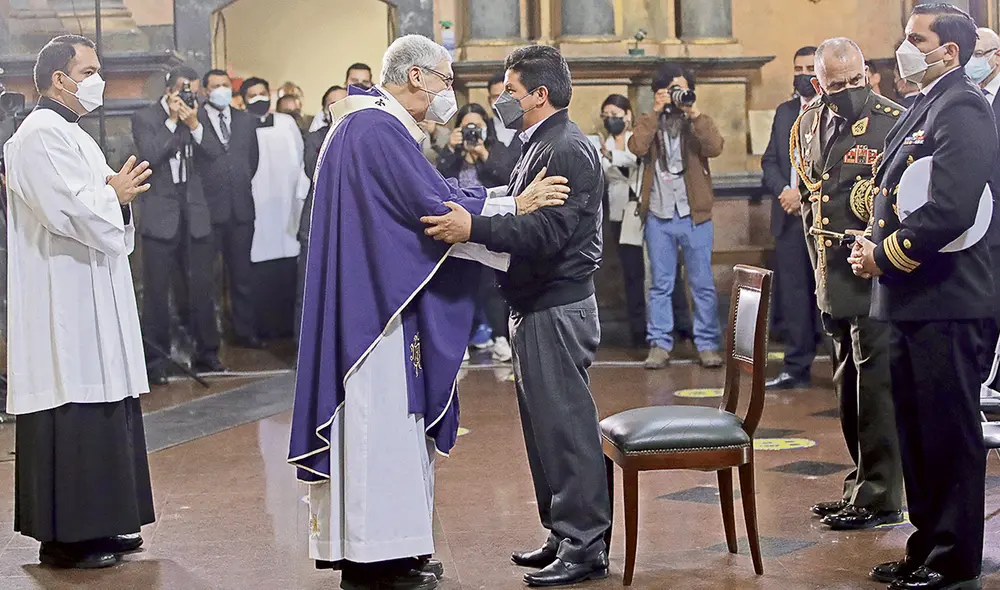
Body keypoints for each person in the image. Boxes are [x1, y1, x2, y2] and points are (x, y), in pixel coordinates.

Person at [288, 35, 569, 590]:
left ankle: (399, 552)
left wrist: (499, 202)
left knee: (395, 429)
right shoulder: (374, 128)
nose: (449, 92)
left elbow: (431, 195)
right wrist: (515, 205)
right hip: (375, 317)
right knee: (379, 430)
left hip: (380, 300)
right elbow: (432, 209)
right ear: (416, 76)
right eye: (446, 79)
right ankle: (374, 564)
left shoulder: (369, 125)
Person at [423, 44, 611, 588]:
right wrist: (476, 208)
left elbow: (547, 234)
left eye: (510, 90)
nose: (501, 99)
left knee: (567, 429)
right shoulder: (540, 143)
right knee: (543, 430)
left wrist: (473, 228)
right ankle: (561, 532)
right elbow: (514, 201)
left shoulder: (566, 148)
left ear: (539, 95)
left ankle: (585, 545)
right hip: (534, 304)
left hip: (557, 304)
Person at [850, 5, 996, 588]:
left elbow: (953, 207)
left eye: (916, 38)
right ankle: (927, 544)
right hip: (916, 297)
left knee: (947, 434)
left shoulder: (962, 106)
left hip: (950, 298)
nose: (904, 47)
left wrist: (885, 256)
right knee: (916, 430)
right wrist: (871, 242)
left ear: (949, 51)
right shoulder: (924, 102)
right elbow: (897, 194)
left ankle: (953, 560)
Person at [3, 34, 155, 569]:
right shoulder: (38, 135)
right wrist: (114, 196)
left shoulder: (74, 135)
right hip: (62, 296)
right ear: (59, 78)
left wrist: (116, 198)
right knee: (73, 400)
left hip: (91, 288)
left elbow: (99, 207)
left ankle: (104, 523)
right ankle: (67, 539)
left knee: (104, 399)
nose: (98, 80)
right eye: (88, 71)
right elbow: (66, 212)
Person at [791, 38, 904, 531]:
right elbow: (812, 200)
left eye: (857, 80)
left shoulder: (894, 120)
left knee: (876, 388)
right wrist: (820, 273)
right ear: (820, 84)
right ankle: (859, 483)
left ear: (868, 74)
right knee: (847, 388)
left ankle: (881, 495)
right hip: (831, 276)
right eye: (838, 85)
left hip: (873, 276)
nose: (851, 90)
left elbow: (901, 203)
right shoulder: (808, 122)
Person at [132, 66, 226, 385]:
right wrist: (172, 121)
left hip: (194, 214)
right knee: (156, 293)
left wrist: (194, 124)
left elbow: (215, 155)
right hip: (160, 216)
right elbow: (150, 155)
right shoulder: (145, 117)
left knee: (202, 288)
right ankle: (156, 360)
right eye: (185, 91)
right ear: (169, 90)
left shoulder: (198, 116)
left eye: (194, 92)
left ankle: (207, 352)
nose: (189, 97)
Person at [629, 63, 725, 370]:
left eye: (682, 89)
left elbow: (715, 147)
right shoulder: (649, 120)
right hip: (659, 214)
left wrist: (694, 113)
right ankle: (659, 344)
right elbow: (636, 146)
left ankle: (707, 344)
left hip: (694, 215)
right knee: (660, 284)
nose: (677, 95)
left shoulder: (696, 121)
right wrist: (655, 112)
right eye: (671, 90)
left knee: (702, 284)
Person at [762, 46, 822, 389]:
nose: (803, 74)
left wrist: (805, 196)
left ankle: (843, 367)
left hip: (824, 218)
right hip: (788, 218)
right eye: (798, 68)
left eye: (810, 68)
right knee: (795, 295)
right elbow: (769, 161)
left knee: (828, 292)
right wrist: (785, 190)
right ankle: (796, 367)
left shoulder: (833, 111)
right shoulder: (785, 112)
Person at [437, 102, 515, 360]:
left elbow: (508, 179)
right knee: (458, 283)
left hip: (490, 224)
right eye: (466, 127)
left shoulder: (497, 149)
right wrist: (451, 150)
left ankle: (500, 337)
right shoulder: (452, 153)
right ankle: (460, 341)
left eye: (477, 127)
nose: (472, 132)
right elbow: (438, 181)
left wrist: (483, 154)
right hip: (456, 225)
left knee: (492, 284)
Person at [198, 70, 263, 348]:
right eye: (215, 86)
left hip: (241, 210)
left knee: (242, 276)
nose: (221, 90)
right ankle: (208, 338)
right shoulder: (194, 120)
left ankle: (244, 331)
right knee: (206, 279)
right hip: (207, 211)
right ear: (205, 91)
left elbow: (252, 160)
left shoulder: (245, 121)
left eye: (225, 85)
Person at [241, 76, 309, 339]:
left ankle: (287, 328)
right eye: (252, 94)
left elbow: (300, 160)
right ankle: (261, 329)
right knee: (258, 268)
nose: (259, 98)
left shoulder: (286, 122)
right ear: (244, 99)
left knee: (287, 265)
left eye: (263, 92)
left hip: (286, 206)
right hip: (255, 207)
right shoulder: (240, 125)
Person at [295, 84, 347, 339]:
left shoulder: (366, 137)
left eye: (344, 102)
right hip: (316, 223)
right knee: (308, 289)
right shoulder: (314, 138)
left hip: (349, 225)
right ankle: (303, 346)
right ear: (325, 110)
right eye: (332, 104)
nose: (338, 108)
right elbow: (312, 170)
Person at [597, 94, 645, 349]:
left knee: (647, 273)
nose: (610, 120)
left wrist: (611, 155)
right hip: (617, 214)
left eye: (615, 114)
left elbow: (635, 160)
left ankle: (663, 328)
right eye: (606, 115)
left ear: (628, 115)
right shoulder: (604, 143)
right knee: (629, 273)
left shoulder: (636, 139)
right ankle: (637, 331)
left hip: (638, 212)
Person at [967, 26, 1000, 376]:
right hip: (968, 225)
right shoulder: (963, 97)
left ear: (997, 57)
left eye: (978, 55)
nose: (971, 62)